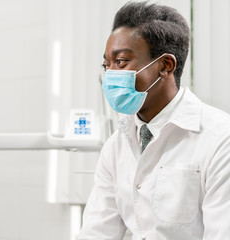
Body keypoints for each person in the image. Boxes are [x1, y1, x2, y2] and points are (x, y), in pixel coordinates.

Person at [78, 2, 230, 240]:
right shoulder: (116, 145)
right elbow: (97, 232)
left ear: (165, 66)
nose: (111, 75)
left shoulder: (220, 138)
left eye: (121, 62)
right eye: (106, 65)